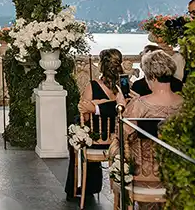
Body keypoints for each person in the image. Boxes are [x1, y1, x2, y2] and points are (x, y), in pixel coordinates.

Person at [110, 50, 184, 210]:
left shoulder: (140, 105)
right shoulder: (184, 103)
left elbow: (122, 135)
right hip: (177, 171)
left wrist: (121, 105)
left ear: (152, 77)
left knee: (115, 149)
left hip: (143, 174)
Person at [65, 48, 122, 201]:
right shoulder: (125, 86)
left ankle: (76, 188)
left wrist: (97, 105)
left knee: (77, 134)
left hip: (97, 142)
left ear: (102, 65)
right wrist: (110, 105)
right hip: (118, 140)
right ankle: (94, 185)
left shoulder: (93, 86)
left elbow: (85, 113)